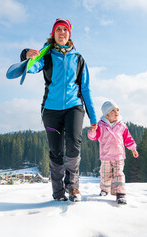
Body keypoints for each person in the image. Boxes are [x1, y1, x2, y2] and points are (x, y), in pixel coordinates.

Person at [20, 18, 97, 202]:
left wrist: (93, 117)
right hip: (51, 110)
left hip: (74, 107)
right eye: (58, 30)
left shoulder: (78, 59)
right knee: (56, 152)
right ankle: (58, 191)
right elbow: (31, 68)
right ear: (53, 34)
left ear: (69, 34)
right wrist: (26, 55)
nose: (62, 32)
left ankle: (73, 188)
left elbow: (85, 89)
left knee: (73, 145)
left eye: (65, 30)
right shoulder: (46, 56)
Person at [87, 100, 138, 204]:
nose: (116, 112)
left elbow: (128, 138)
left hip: (119, 156)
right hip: (106, 156)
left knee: (119, 174)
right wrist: (92, 131)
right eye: (113, 111)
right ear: (106, 114)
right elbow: (94, 137)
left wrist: (133, 148)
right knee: (105, 174)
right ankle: (105, 189)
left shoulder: (122, 126)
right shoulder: (100, 126)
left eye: (117, 110)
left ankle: (120, 194)